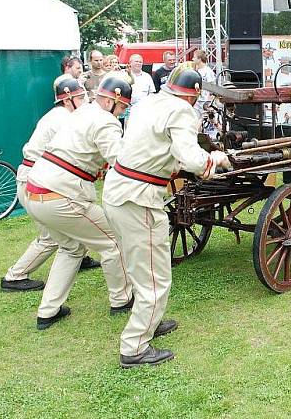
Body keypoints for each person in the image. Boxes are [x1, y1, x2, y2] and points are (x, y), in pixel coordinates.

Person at [103, 66, 231, 368]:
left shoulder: (147, 103)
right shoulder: (183, 112)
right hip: (140, 198)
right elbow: (190, 158)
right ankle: (134, 347)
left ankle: (150, 319)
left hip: (118, 189)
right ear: (194, 95)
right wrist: (215, 158)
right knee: (155, 275)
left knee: (139, 267)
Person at [25, 73, 134, 330]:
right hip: (60, 194)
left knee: (72, 248)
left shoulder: (81, 113)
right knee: (113, 241)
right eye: (122, 107)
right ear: (111, 101)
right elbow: (119, 162)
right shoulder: (107, 122)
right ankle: (121, 299)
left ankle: (48, 311)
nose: (121, 113)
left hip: (34, 190)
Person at [0, 75, 100, 292]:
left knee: (66, 231)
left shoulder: (60, 116)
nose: (84, 102)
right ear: (67, 100)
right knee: (50, 238)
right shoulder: (63, 120)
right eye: (80, 98)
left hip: (35, 176)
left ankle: (79, 257)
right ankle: (14, 276)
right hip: (36, 179)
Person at [190, 49, 216, 115]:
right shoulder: (195, 71)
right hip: (197, 101)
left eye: (194, 57)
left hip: (204, 102)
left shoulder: (208, 71)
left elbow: (212, 87)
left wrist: (209, 101)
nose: (192, 59)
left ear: (199, 59)